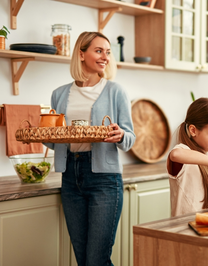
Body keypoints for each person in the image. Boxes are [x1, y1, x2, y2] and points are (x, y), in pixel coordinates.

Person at [45, 32, 135, 266]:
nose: (105, 56)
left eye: (108, 51)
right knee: (83, 259)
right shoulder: (59, 94)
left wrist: (120, 135)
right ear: (81, 53)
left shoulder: (116, 91)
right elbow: (57, 140)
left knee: (96, 260)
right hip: (70, 178)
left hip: (104, 180)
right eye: (98, 50)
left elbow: (130, 137)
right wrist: (43, 133)